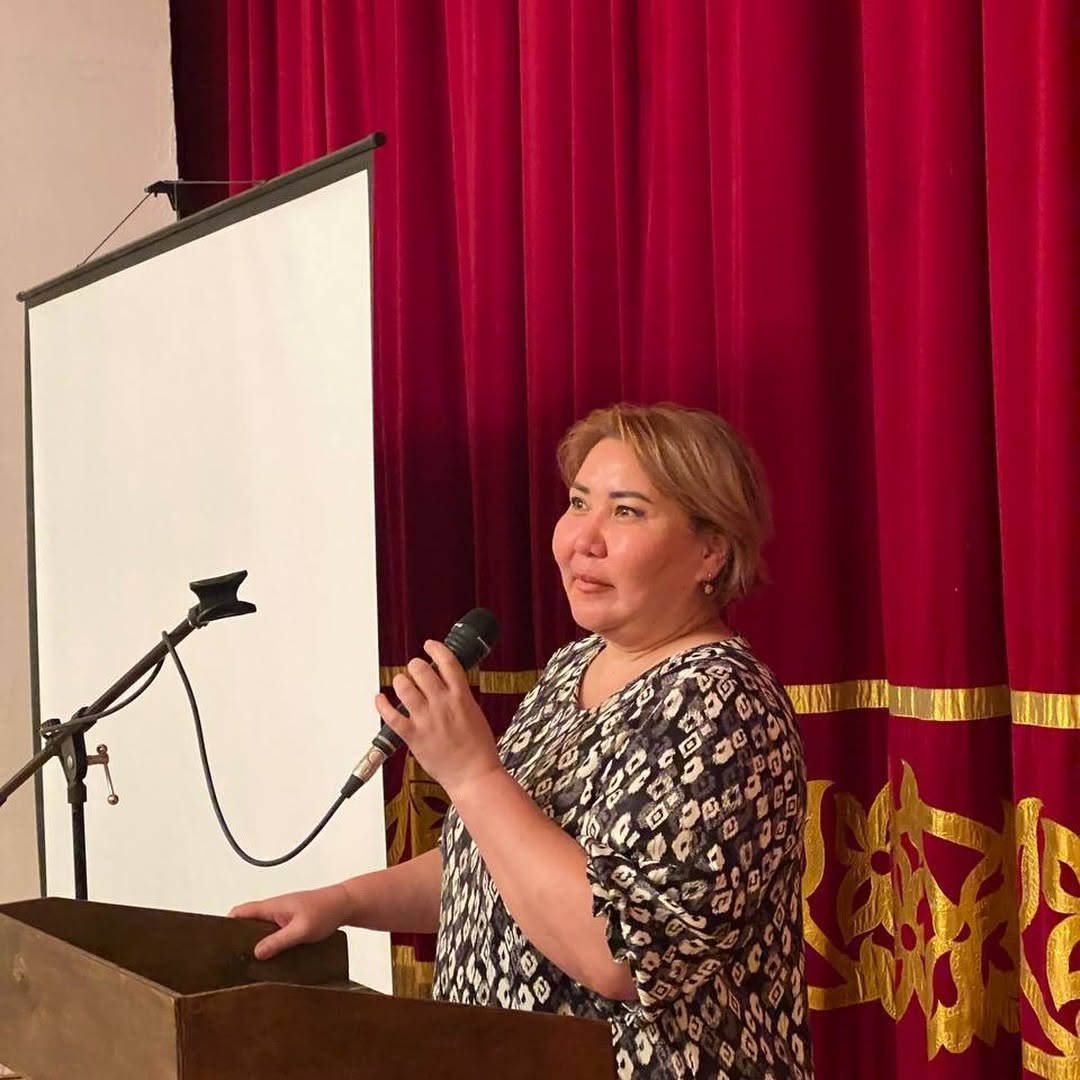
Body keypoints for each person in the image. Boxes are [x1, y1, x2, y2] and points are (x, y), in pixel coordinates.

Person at [231, 403, 813, 1079]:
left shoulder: (721, 703)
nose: (582, 540)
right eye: (579, 503)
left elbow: (620, 956)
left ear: (710, 550)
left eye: (627, 512)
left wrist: (472, 774)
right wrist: (345, 903)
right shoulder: (576, 665)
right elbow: (498, 862)